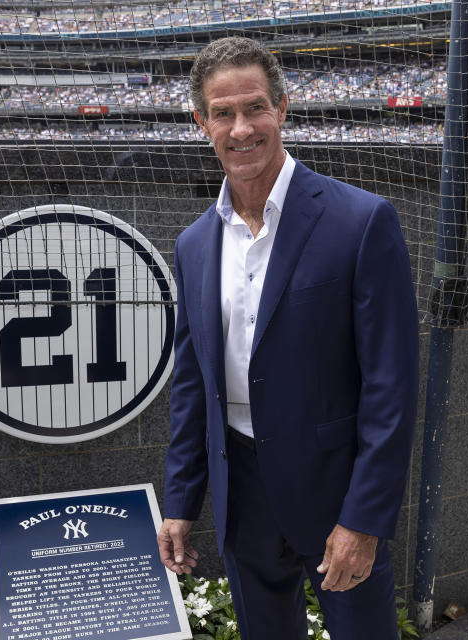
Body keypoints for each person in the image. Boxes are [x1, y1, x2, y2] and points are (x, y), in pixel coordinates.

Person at [157, 37, 419, 639]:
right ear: (203, 123)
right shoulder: (194, 245)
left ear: (283, 108)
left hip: (336, 493)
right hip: (241, 496)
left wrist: (364, 518)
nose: (241, 128)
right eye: (223, 114)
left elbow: (392, 385)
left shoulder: (360, 221)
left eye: (255, 108)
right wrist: (180, 501)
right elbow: (193, 383)